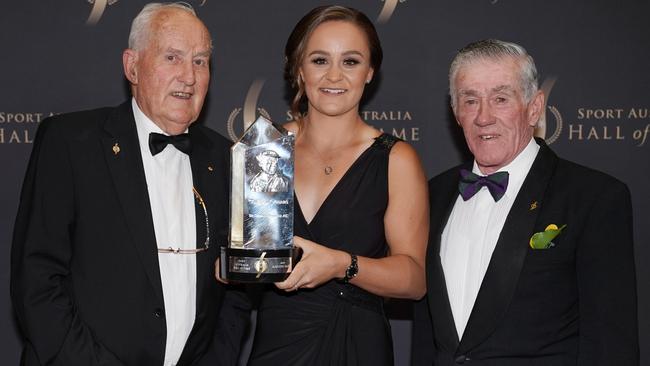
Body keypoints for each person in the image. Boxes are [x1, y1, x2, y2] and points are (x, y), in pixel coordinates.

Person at [10, 3, 248, 366]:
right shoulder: (71, 142)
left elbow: (237, 293)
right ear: (132, 66)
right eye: (172, 57)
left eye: (200, 61)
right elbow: (38, 281)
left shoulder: (228, 157)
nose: (189, 76)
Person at [412, 39, 639, 365]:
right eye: (470, 100)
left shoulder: (594, 198)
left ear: (534, 107)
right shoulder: (432, 195)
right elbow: (425, 333)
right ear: (455, 112)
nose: (484, 117)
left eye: (500, 99)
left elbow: (610, 343)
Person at [247, 5, 429, 366]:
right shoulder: (264, 147)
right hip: (279, 342)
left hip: (357, 344)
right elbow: (250, 258)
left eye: (350, 61)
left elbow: (414, 279)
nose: (334, 76)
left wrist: (341, 265)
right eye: (319, 60)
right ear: (299, 69)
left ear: (370, 71)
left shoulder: (395, 159)